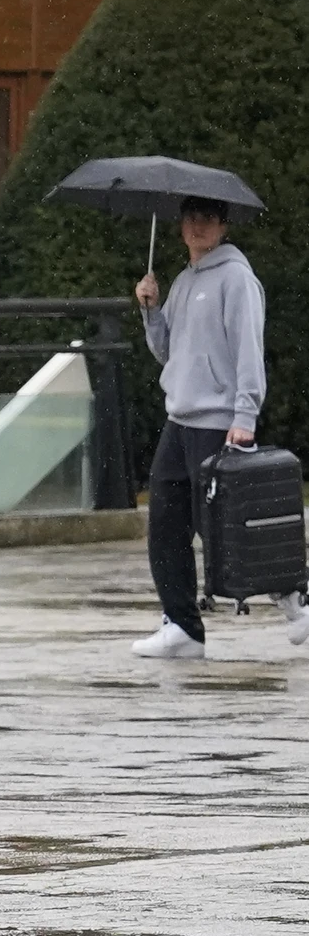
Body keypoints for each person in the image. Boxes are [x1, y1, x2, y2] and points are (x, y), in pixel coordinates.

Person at [131, 196, 308, 658]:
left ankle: (298, 602)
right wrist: (151, 310)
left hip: (219, 423)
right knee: (166, 527)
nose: (198, 226)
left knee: (228, 531)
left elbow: (249, 349)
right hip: (179, 420)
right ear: (180, 226)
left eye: (208, 219)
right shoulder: (185, 282)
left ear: (224, 225)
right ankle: (182, 628)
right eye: (190, 218)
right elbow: (168, 352)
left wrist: (244, 415)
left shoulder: (237, 279)